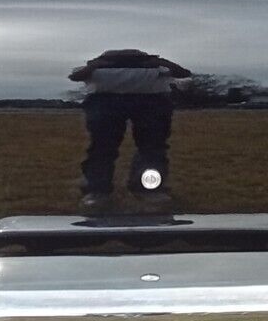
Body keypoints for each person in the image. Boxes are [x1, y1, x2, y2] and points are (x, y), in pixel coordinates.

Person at [69, 49, 191, 211]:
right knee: (105, 147)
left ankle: (146, 188)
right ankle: (98, 190)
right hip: (119, 100)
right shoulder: (154, 69)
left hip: (141, 101)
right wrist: (161, 63)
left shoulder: (152, 68)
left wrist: (161, 63)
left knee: (149, 146)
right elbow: (183, 73)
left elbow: (76, 76)